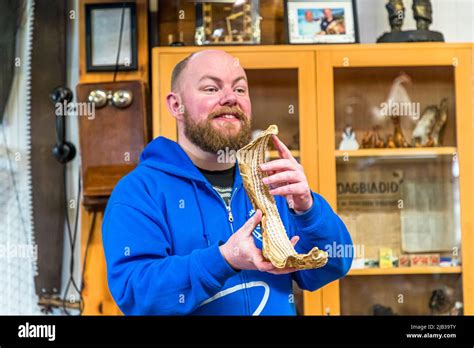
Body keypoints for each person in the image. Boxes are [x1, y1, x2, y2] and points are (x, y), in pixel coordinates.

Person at [102, 50, 353, 315]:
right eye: (211, 88)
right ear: (177, 106)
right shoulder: (139, 193)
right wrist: (224, 259)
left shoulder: (272, 183)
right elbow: (136, 295)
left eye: (240, 89)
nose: (230, 98)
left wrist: (308, 210)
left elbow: (333, 265)